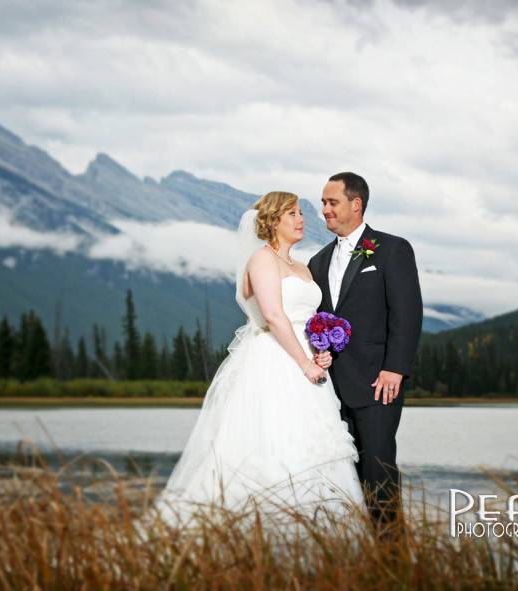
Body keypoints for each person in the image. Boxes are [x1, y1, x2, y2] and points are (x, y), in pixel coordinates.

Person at [153, 191, 366, 532]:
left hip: (308, 364)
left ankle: (319, 534)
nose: (301, 219)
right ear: (272, 221)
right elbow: (273, 315)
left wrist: (321, 348)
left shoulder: (302, 267)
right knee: (273, 440)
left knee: (313, 446)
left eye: (300, 213)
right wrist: (305, 363)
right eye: (292, 213)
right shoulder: (261, 260)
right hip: (278, 362)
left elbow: (307, 318)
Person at [307, 172, 423, 537]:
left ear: (355, 205)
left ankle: (391, 552)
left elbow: (407, 313)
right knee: (343, 472)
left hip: (378, 383)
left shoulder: (391, 249)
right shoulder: (318, 261)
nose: (324, 209)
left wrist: (395, 369)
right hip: (330, 389)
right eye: (323, 202)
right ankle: (355, 551)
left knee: (378, 469)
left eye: (331, 202)